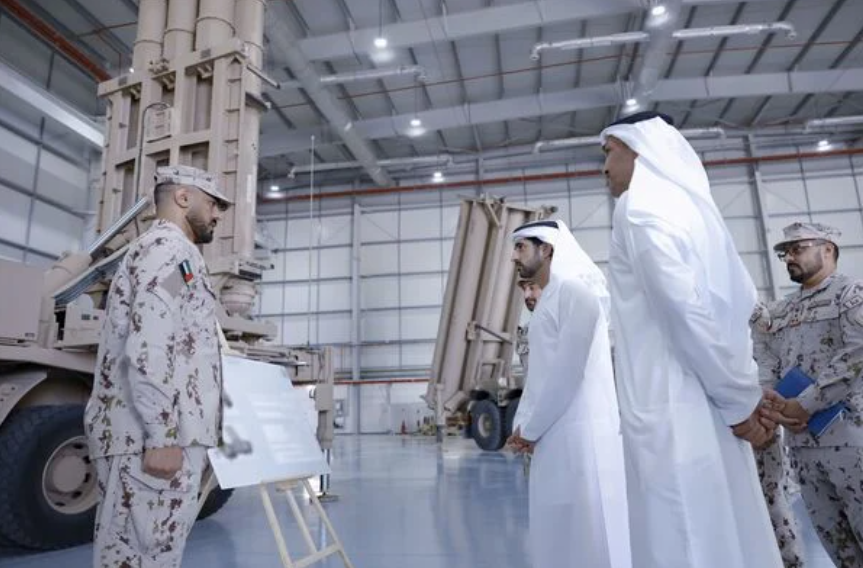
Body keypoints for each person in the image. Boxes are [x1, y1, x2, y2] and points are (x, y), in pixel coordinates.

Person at [600, 111, 783, 568]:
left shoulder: (638, 209)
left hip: (671, 403)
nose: (604, 168)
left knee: (680, 536)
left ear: (637, 147)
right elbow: (739, 301)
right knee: (722, 530)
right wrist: (741, 391)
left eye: (608, 153)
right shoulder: (694, 209)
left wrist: (740, 403)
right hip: (714, 398)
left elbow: (683, 313)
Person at [85, 165, 231, 568]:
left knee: (154, 556)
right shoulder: (168, 251)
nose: (219, 214)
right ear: (183, 198)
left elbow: (160, 322)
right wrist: (162, 435)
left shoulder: (179, 259)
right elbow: (150, 338)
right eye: (213, 202)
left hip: (164, 437)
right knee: (137, 558)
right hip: (150, 439)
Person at [506, 219, 630, 568]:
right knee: (560, 534)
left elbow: (567, 373)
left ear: (546, 249)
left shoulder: (576, 293)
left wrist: (530, 430)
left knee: (587, 535)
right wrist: (523, 424)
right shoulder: (549, 301)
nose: (514, 256)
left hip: (579, 436)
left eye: (521, 247)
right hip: (553, 436)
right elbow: (539, 377)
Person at [758, 222, 863, 567]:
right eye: (784, 252)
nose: (789, 257)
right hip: (803, 448)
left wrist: (804, 404)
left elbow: (856, 354)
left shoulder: (852, 294)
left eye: (798, 248)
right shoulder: (781, 311)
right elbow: (767, 357)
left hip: (851, 440)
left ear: (828, 249)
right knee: (838, 546)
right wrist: (773, 404)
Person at [750, 301, 807, 568]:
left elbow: (772, 362)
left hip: (761, 417)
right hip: (747, 416)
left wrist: (771, 410)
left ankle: (791, 561)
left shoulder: (757, 316)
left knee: (773, 497)